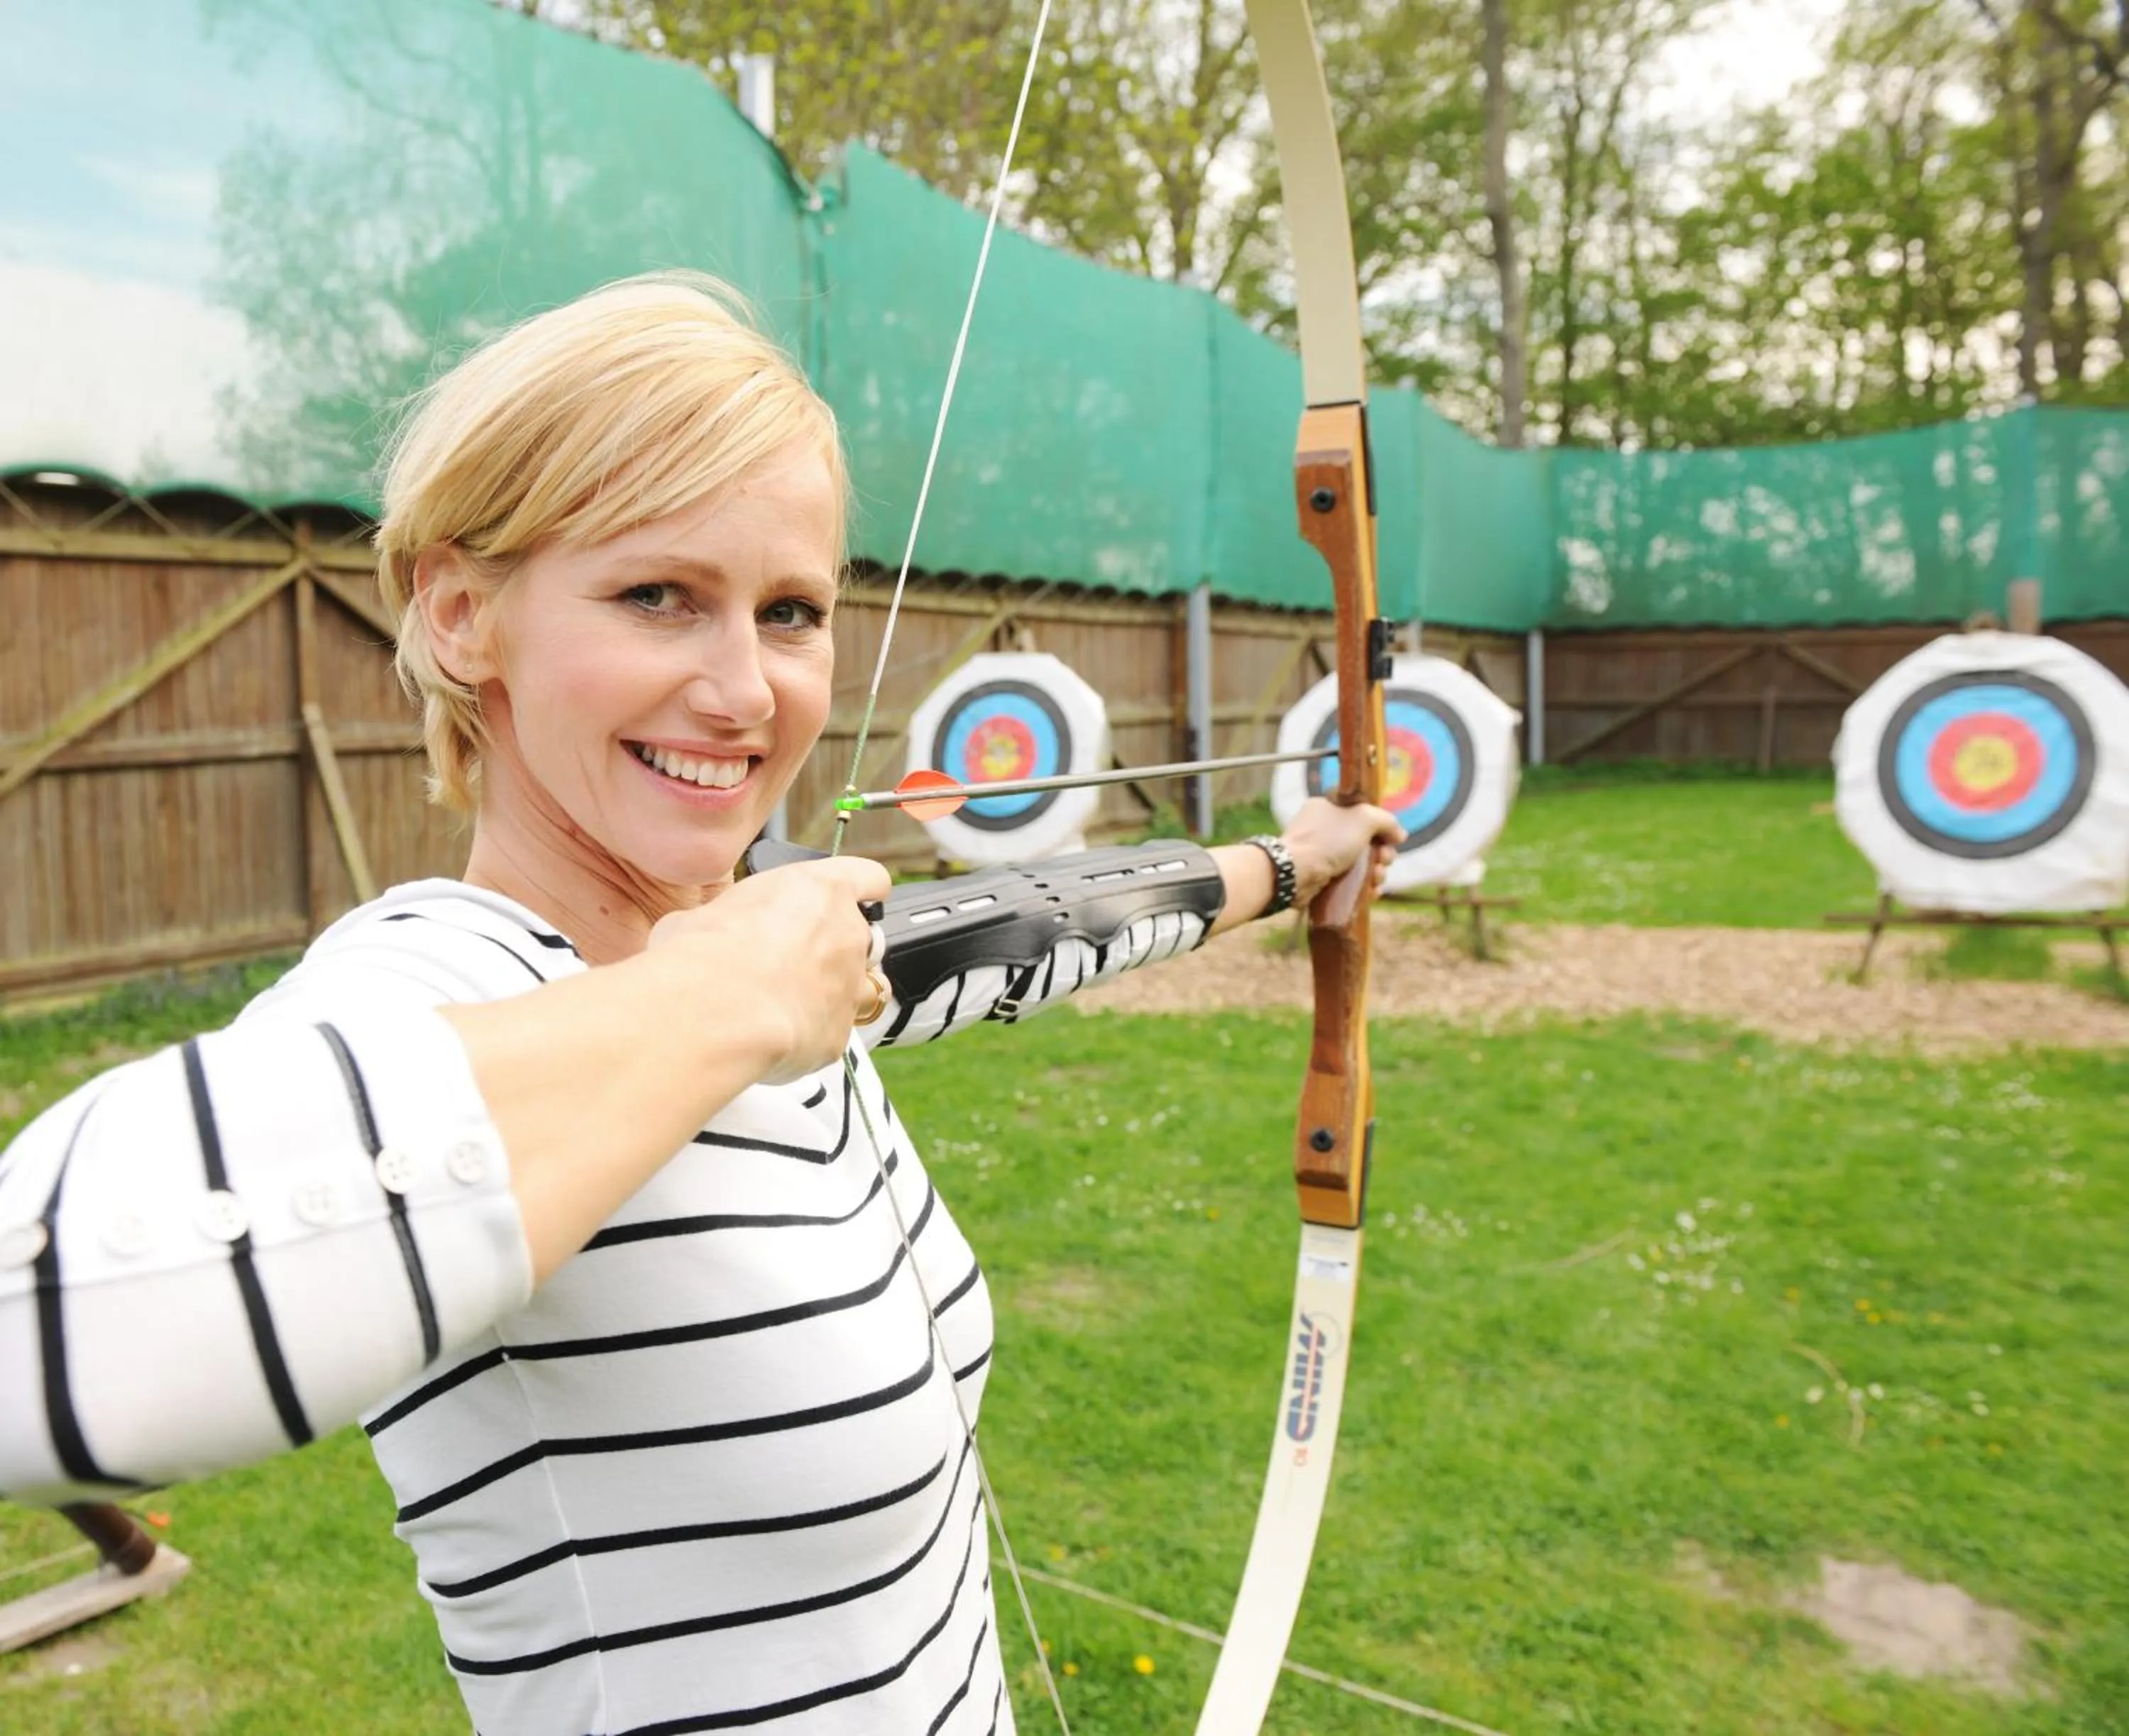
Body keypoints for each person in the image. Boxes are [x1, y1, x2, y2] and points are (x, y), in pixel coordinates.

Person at [0, 274, 1401, 1735]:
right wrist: (725, 990)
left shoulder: (775, 965)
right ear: (463, 609)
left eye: (790, 611)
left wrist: (1289, 866)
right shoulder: (444, 984)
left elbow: (1024, 927)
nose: (744, 688)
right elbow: (45, 1327)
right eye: (657, 593)